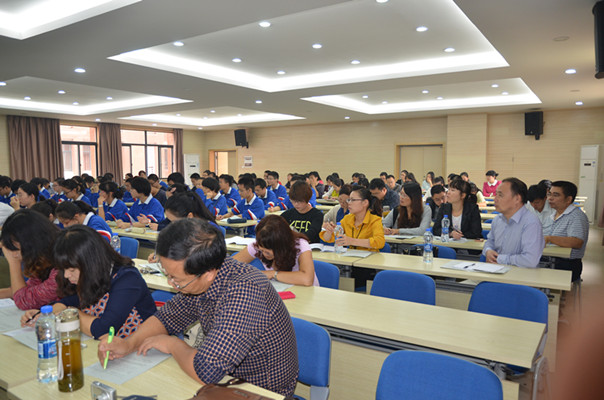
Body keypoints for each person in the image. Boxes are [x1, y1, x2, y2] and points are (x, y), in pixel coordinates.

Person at [98, 219, 299, 396]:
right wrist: (129, 344)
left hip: (261, 391)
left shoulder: (245, 292)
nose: (171, 283)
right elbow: (167, 317)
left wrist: (173, 344)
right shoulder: (205, 274)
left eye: (176, 278)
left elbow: (207, 371)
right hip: (227, 379)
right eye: (168, 275)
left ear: (208, 274)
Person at [21, 225, 156, 339]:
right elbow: (72, 300)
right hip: (106, 349)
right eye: (63, 269)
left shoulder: (127, 279)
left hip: (142, 350)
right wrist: (46, 313)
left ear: (91, 263)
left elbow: (104, 330)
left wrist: (70, 313)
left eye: (72, 270)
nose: (66, 275)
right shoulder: (90, 275)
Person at [233, 215, 318, 286]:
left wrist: (272, 274)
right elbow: (229, 266)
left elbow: (307, 279)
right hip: (281, 292)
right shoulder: (258, 246)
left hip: (307, 293)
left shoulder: (301, 245)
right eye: (262, 250)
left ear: (280, 246)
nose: (264, 254)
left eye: (267, 252)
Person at [0, 210, 61, 310]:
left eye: (13, 246)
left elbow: (24, 301)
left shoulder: (63, 265)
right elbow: (24, 289)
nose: (13, 251)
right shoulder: (43, 259)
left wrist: (13, 262)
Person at [483, 178, 544, 268]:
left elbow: (530, 260)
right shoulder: (497, 220)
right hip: (495, 270)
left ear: (517, 199)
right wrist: (488, 250)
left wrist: (499, 259)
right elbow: (490, 241)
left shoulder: (531, 223)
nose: (495, 199)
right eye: (496, 195)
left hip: (520, 274)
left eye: (500, 195)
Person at [543, 181, 589, 282]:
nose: (550, 198)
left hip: (566, 264)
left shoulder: (576, 216)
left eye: (556, 195)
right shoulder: (552, 216)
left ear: (568, 199)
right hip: (549, 259)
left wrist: (549, 238)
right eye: (549, 194)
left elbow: (577, 242)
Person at [320, 187, 385, 251]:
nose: (349, 203)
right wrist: (329, 232)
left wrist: (352, 241)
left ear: (365, 203)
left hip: (370, 256)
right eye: (349, 200)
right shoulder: (347, 219)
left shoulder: (375, 220)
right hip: (351, 256)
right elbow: (328, 239)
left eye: (353, 200)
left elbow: (379, 242)